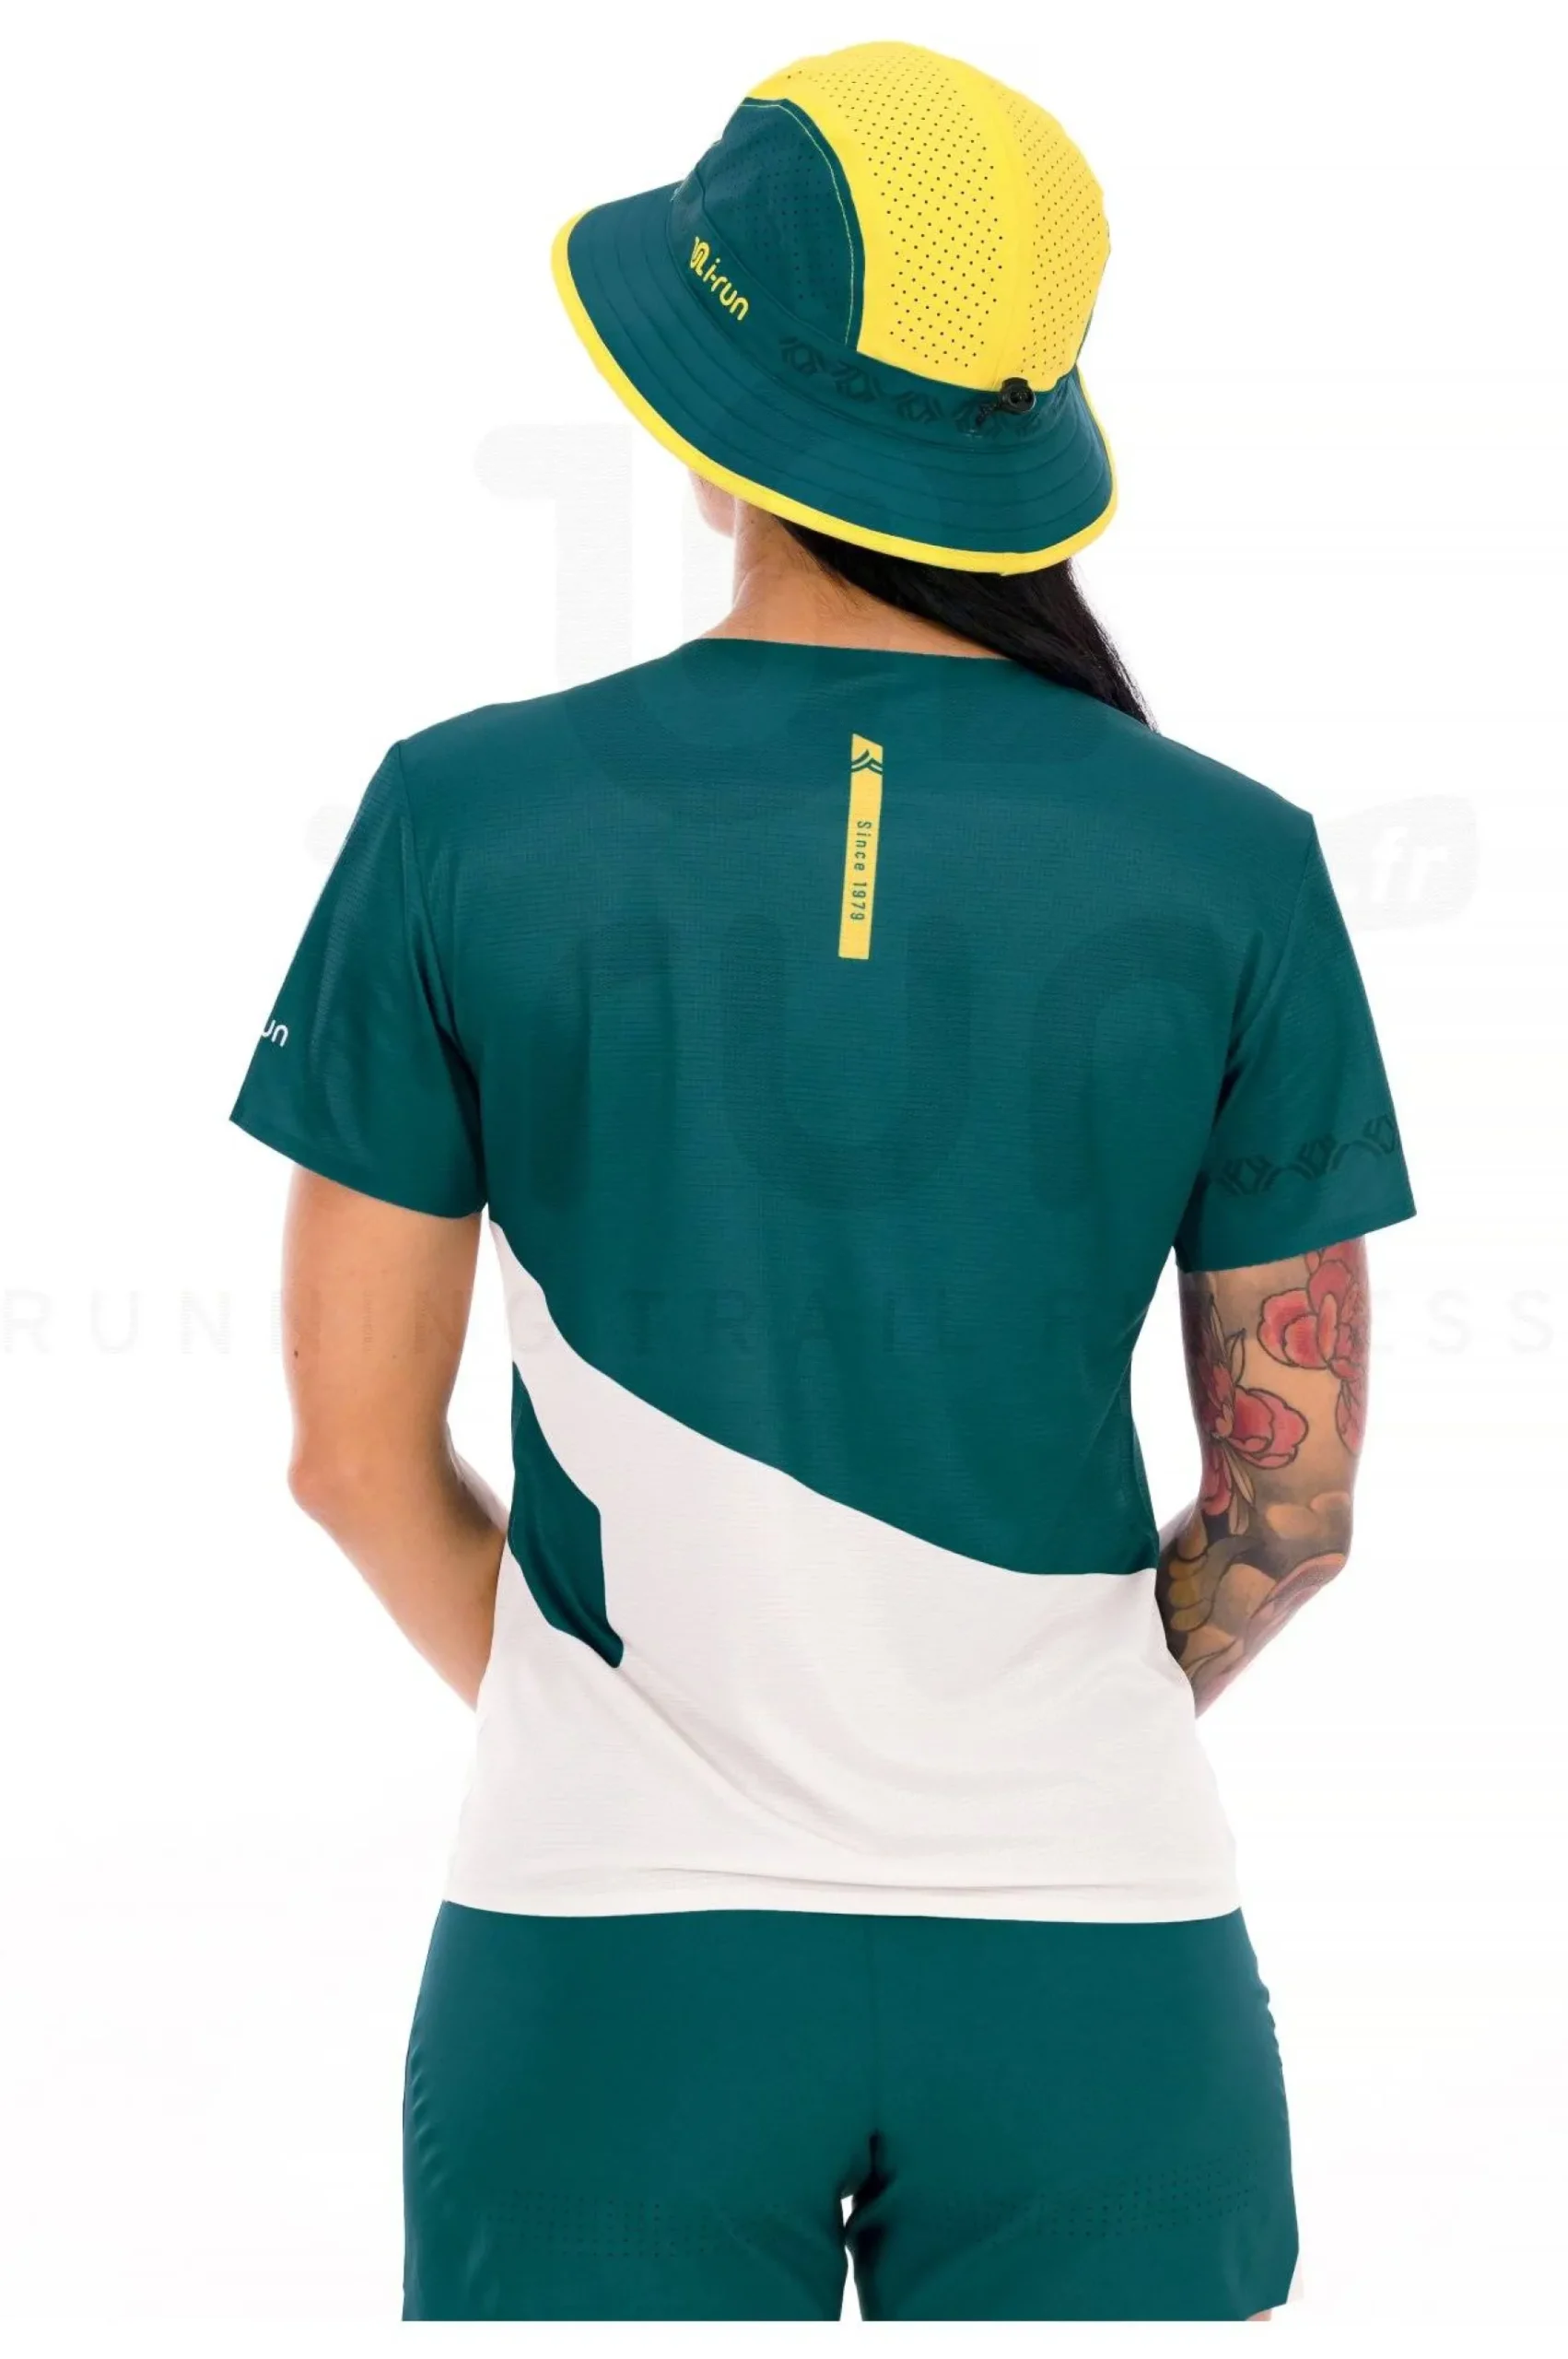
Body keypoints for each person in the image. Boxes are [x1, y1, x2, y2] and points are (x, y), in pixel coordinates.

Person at [230, 40, 1415, 2322]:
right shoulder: (1230, 861)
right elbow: (1292, 1503)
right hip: (1096, 1962)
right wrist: (1020, 1718)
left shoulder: (464, 818)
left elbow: (347, 1456)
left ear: (716, 424)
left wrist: (628, 1731)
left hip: (605, 1966)